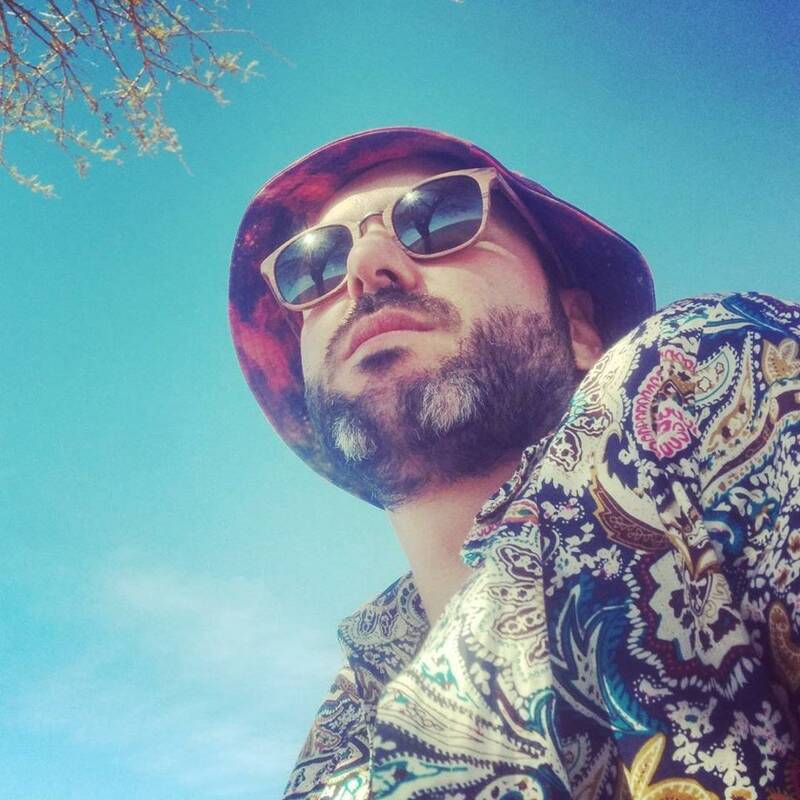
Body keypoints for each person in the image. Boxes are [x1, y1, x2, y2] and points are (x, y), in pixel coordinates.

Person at [229, 127, 800, 799]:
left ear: (579, 327)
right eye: (314, 268)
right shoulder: (338, 740)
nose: (365, 267)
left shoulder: (699, 377)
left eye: (438, 216)